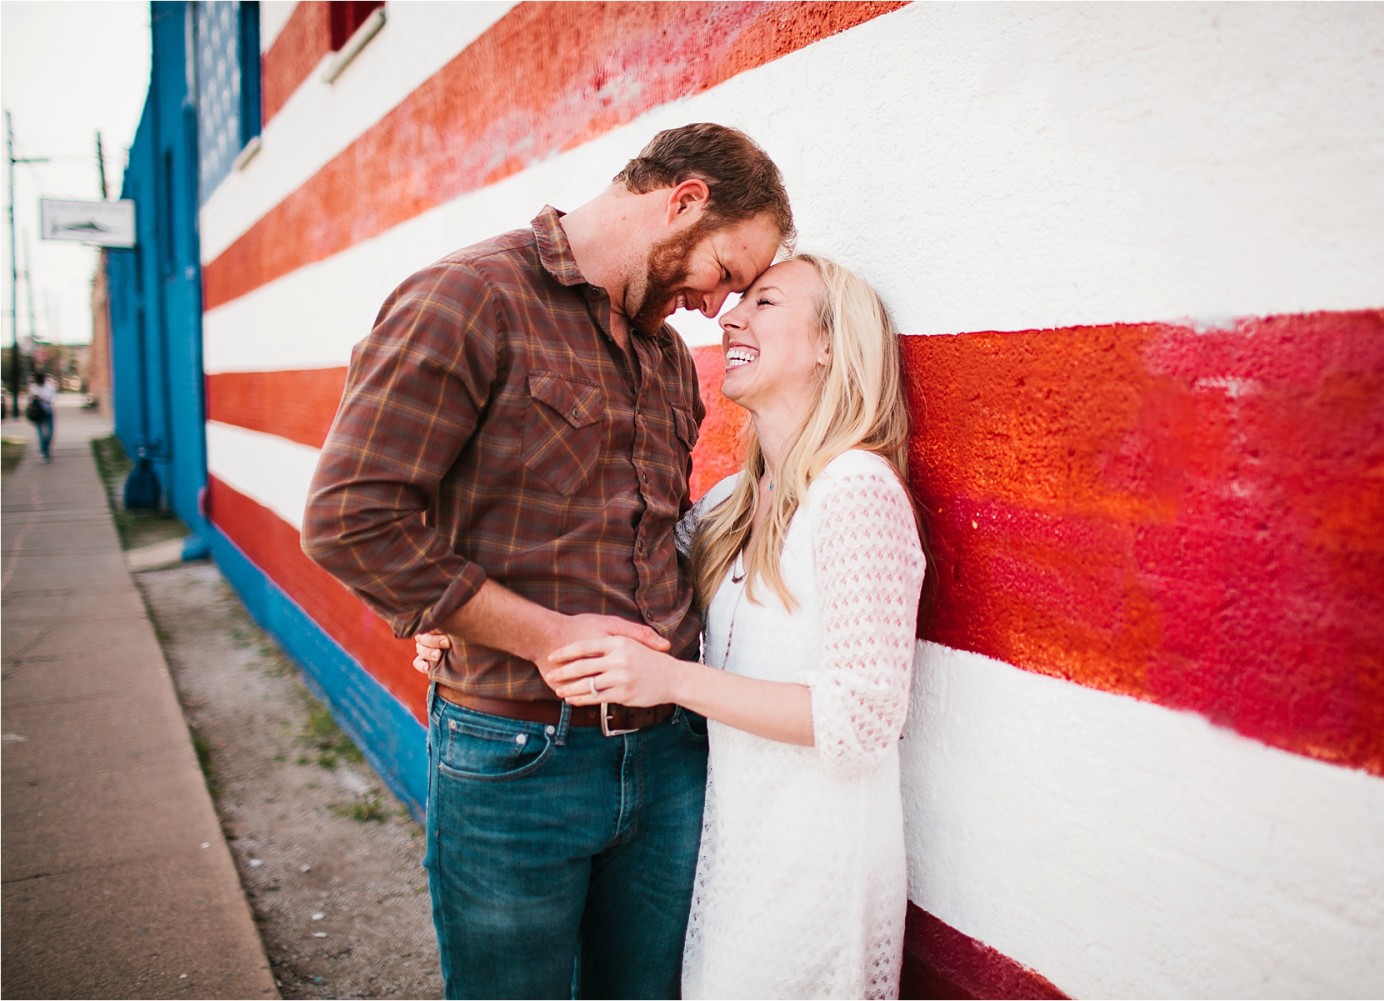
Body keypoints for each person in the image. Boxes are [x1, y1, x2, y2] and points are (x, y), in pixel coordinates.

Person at [301, 123, 794, 1000]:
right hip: (517, 756)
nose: (717, 304)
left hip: (670, 757)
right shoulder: (468, 298)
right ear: (683, 201)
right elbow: (350, 519)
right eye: (724, 270)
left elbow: (650, 539)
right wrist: (529, 631)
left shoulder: (666, 357)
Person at [420, 253, 926, 998]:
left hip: (815, 857)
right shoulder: (734, 500)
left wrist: (669, 680)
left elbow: (864, 716)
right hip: (734, 845)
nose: (731, 317)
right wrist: (468, 618)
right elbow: (622, 578)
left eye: (765, 303)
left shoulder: (855, 489)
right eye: (740, 301)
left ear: (830, 343)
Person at [25, 370, 56, 462]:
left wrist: (41, 397)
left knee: (50, 433)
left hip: (48, 412)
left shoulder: (48, 387)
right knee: (41, 434)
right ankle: (44, 453)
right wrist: (32, 398)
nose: (39, 383)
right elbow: (29, 400)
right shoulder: (33, 387)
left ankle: (46, 449)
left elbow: (51, 398)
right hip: (38, 413)